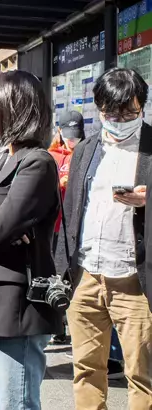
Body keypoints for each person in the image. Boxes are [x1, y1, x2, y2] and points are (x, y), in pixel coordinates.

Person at [0, 71, 63, 410]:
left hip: (19, 299)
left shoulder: (38, 162)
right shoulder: (0, 158)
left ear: (12, 107)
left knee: (15, 402)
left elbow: (0, 228)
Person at [60, 67, 152, 409]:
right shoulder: (86, 150)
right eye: (111, 113)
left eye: (130, 112)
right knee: (85, 369)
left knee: (142, 374)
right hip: (87, 275)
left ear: (141, 106)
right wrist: (64, 273)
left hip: (134, 278)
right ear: (100, 110)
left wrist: (149, 199)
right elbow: (71, 211)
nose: (120, 119)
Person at [47, 110, 85, 347]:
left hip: (75, 226)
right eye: (69, 136)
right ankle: (56, 324)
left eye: (76, 136)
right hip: (54, 226)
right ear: (59, 132)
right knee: (54, 275)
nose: (73, 141)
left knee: (73, 277)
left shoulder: (85, 153)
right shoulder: (50, 156)